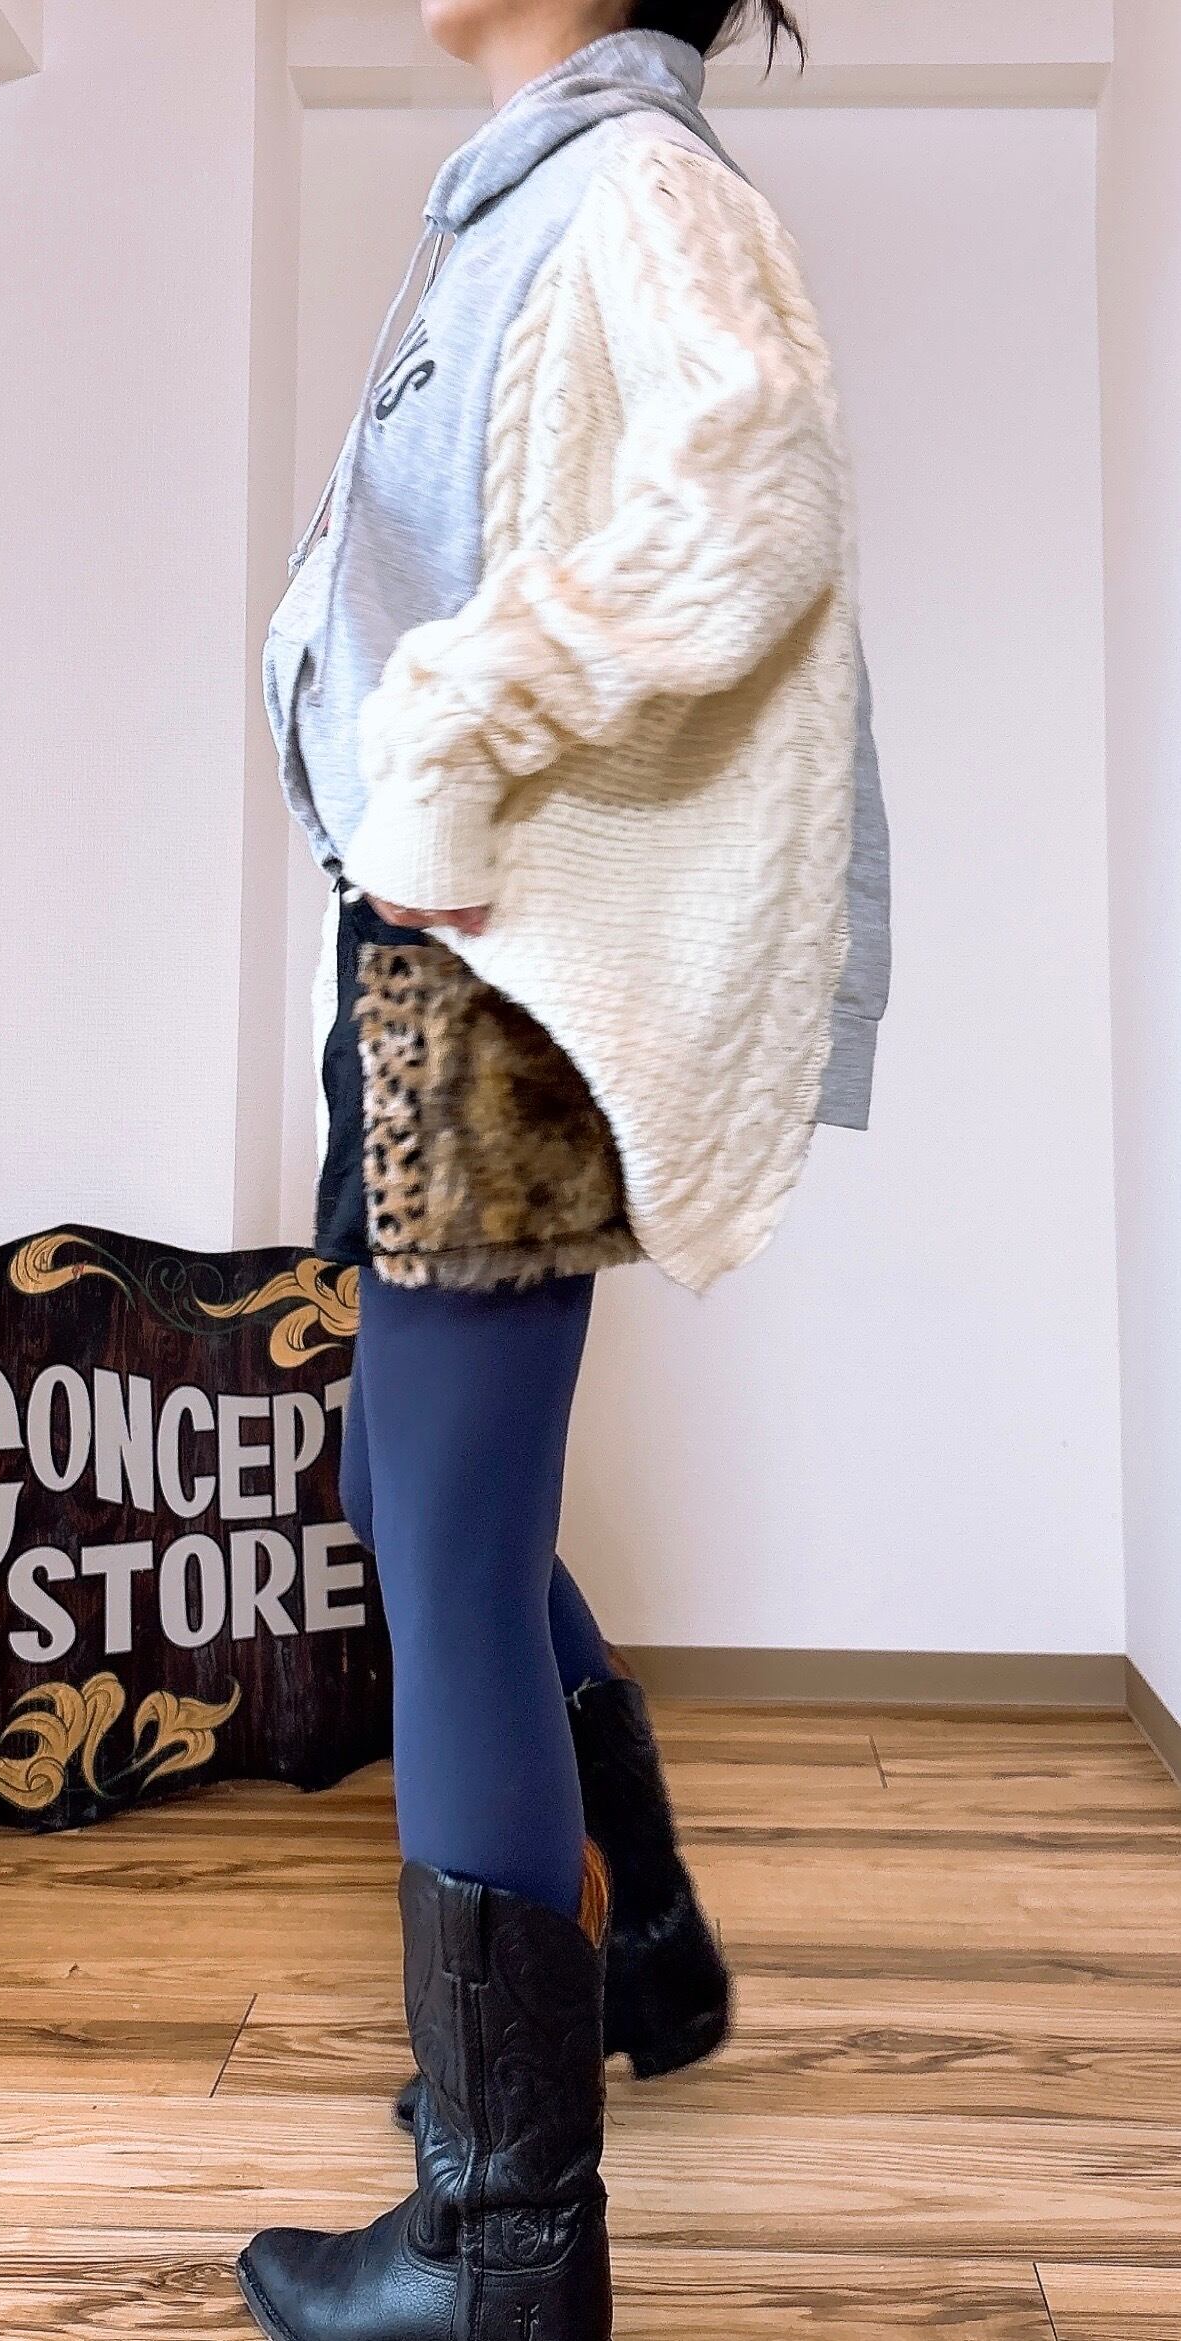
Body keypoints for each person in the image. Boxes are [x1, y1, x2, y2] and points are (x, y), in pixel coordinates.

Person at [239, 1, 891, 2335]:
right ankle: (648, 1942)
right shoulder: (527, 195)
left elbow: (750, 487)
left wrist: (449, 725)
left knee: (441, 1544)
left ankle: (503, 2248)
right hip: (436, 953)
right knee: (419, 1497)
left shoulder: (636, 186)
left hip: (501, 969)